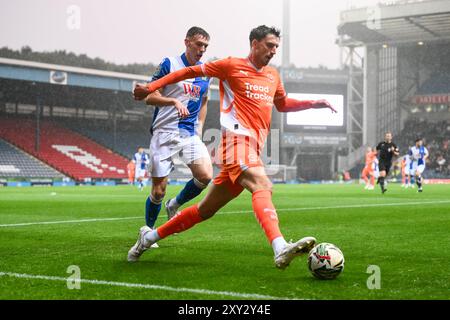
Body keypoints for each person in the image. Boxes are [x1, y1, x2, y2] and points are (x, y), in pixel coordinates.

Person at [129, 25, 337, 269]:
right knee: (262, 183)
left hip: (253, 147)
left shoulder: (273, 75)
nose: (273, 51)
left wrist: (314, 103)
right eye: (269, 45)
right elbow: (186, 73)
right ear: (254, 43)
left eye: (276, 47)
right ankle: (280, 247)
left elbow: (282, 104)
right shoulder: (229, 65)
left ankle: (148, 237)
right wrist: (150, 88)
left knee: (205, 210)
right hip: (235, 141)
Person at [143, 26, 213, 230]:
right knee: (158, 191)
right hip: (164, 131)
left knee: (205, 176)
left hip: (189, 134)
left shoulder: (205, 73)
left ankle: (174, 204)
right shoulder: (169, 64)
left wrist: (200, 126)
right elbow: (150, 96)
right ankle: (148, 231)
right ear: (187, 42)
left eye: (206, 46)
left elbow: (205, 100)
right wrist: (173, 101)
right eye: (199, 44)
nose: (202, 49)